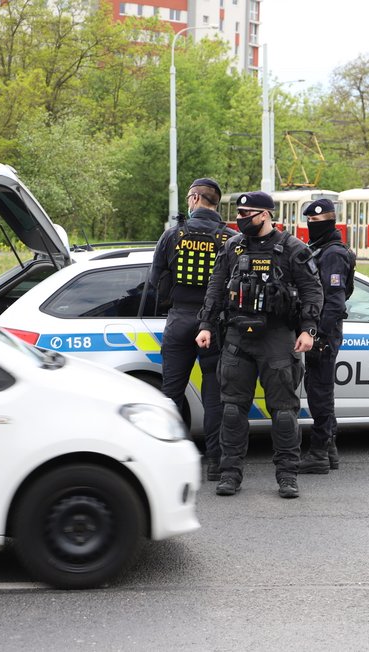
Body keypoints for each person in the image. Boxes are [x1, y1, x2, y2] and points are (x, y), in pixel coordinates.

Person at [196, 191, 323, 499]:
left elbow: (312, 291)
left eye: (247, 214)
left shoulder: (292, 249)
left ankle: (287, 475)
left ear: (265, 215)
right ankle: (230, 473)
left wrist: (308, 330)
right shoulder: (233, 246)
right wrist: (206, 325)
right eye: (239, 213)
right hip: (238, 337)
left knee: (282, 412)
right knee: (232, 410)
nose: (241, 219)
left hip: (277, 339)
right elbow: (215, 287)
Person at [150, 178, 236, 481]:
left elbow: (154, 279)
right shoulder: (229, 239)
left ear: (196, 198)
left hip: (179, 320)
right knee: (214, 396)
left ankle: (166, 460)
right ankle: (215, 462)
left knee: (171, 393)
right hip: (213, 324)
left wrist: (170, 303)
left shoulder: (172, 235)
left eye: (189, 197)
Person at [299, 198, 356, 474]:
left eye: (316, 223)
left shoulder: (333, 253)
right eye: (309, 222)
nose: (312, 227)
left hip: (325, 332)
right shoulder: (322, 249)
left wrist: (318, 334)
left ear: (331, 222)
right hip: (322, 330)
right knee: (319, 390)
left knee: (320, 393)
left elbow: (334, 302)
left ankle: (319, 453)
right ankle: (329, 449)